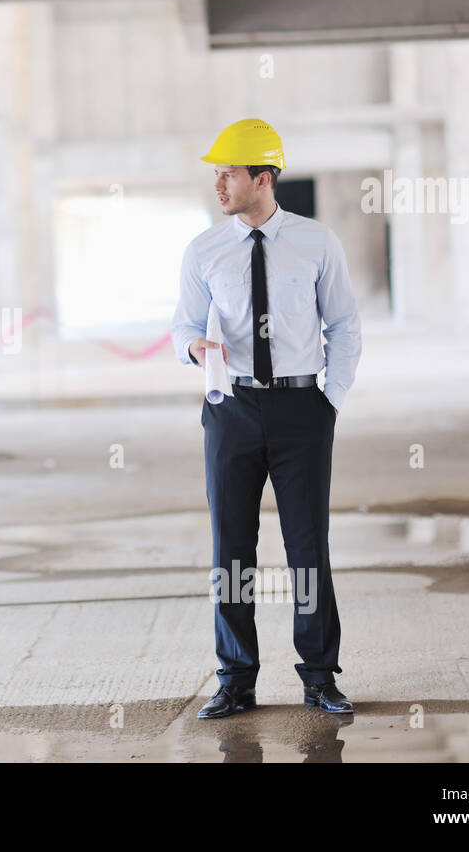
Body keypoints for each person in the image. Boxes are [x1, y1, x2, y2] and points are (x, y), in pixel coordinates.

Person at [170, 118, 363, 718]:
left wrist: (328, 401)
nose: (219, 185)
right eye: (217, 175)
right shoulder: (204, 250)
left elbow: (344, 325)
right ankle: (236, 678)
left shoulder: (316, 243)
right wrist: (194, 348)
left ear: (263, 177)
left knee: (308, 547)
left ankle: (319, 676)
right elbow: (182, 325)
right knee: (231, 549)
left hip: (302, 408)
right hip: (231, 409)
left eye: (229, 174)